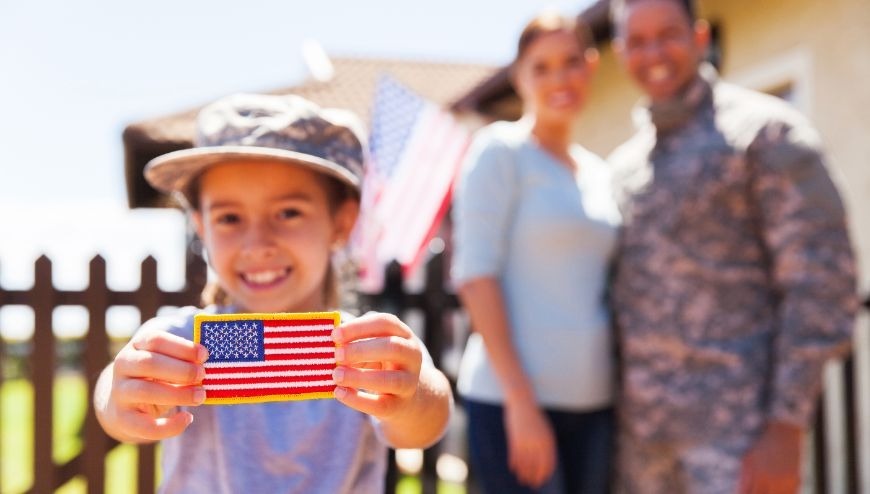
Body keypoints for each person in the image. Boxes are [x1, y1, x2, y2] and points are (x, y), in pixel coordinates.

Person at [93, 93, 453, 493]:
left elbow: (426, 424)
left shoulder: (367, 348)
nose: (258, 243)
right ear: (201, 226)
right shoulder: (183, 340)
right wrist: (120, 397)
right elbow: (114, 396)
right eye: (229, 218)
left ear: (342, 222)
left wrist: (412, 397)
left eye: (288, 213)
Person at [606, 1, 859, 493]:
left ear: (700, 38)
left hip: (736, 442)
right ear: (620, 53)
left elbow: (822, 282)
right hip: (640, 449)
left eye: (668, 34)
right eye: (636, 41)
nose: (653, 52)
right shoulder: (623, 167)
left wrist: (786, 426)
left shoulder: (764, 134)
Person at [451, 12, 620, 494]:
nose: (558, 78)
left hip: (594, 404)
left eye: (570, 62)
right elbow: (475, 276)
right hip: (514, 404)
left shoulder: (598, 174)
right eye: (541, 67)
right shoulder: (499, 152)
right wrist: (521, 403)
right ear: (520, 76)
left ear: (590, 66)